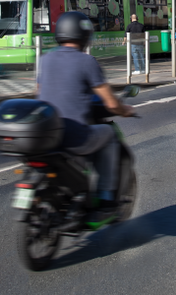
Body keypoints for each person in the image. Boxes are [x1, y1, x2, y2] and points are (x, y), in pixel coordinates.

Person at [36, 11, 136, 222]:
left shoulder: (45, 59)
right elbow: (109, 102)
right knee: (109, 134)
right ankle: (107, 197)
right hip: (74, 136)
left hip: (46, 135)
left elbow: (40, 92)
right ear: (84, 35)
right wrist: (125, 110)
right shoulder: (87, 62)